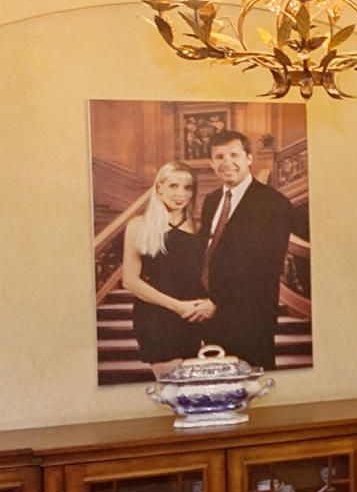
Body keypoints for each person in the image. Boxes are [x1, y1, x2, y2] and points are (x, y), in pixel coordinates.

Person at [195, 129, 301, 369]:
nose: (227, 162)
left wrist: (218, 302)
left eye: (234, 155)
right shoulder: (212, 201)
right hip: (211, 318)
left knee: (254, 385)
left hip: (250, 319)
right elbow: (207, 254)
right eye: (219, 157)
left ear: (249, 158)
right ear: (211, 163)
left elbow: (265, 269)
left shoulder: (273, 204)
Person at [121, 162, 214, 369]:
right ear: (159, 187)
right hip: (157, 317)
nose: (181, 194)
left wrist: (208, 304)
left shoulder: (199, 227)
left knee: (194, 385)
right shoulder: (139, 225)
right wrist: (178, 307)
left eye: (187, 188)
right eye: (173, 186)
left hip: (194, 316)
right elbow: (130, 281)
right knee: (173, 385)